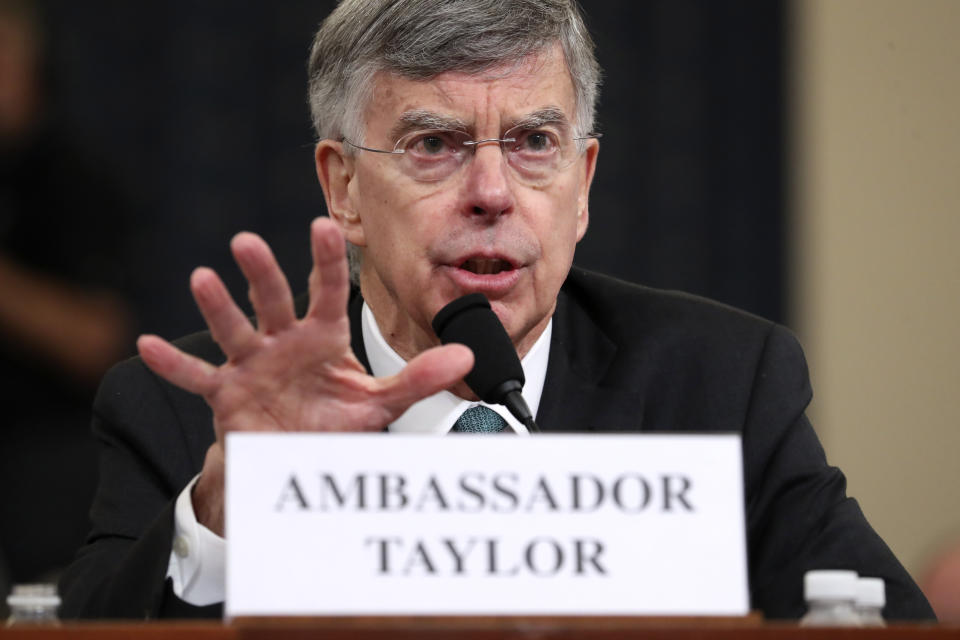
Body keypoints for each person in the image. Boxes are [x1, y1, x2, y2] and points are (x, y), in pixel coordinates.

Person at [59, 0, 934, 621]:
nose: (491, 193)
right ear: (345, 188)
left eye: (534, 143)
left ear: (583, 186)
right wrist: (227, 511)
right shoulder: (185, 416)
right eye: (434, 144)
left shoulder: (722, 385)